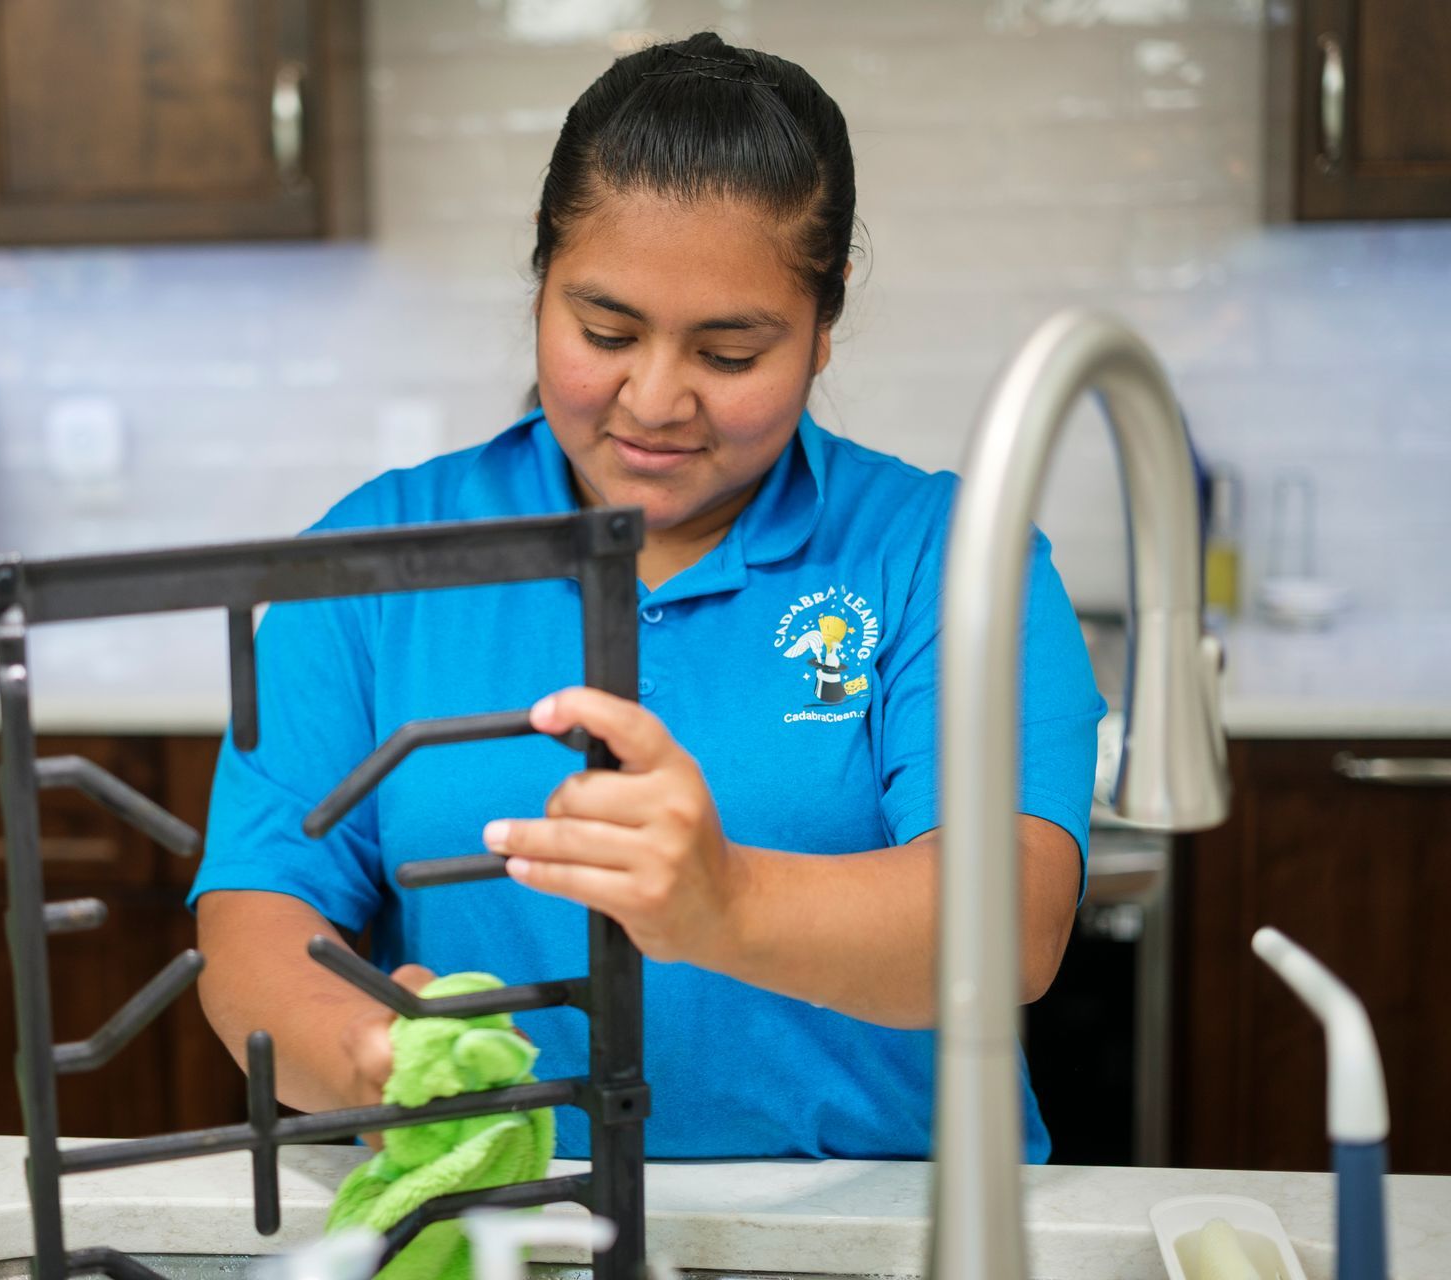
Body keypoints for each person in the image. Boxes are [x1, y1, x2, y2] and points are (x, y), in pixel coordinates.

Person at [189, 31, 1104, 1162]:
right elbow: (256, 912)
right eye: (605, 331)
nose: (655, 398)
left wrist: (726, 902)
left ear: (824, 324)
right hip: (515, 1222)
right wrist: (362, 1049)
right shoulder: (373, 559)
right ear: (540, 284)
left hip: (887, 1224)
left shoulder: (949, 557)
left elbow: (1013, 922)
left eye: (730, 352)